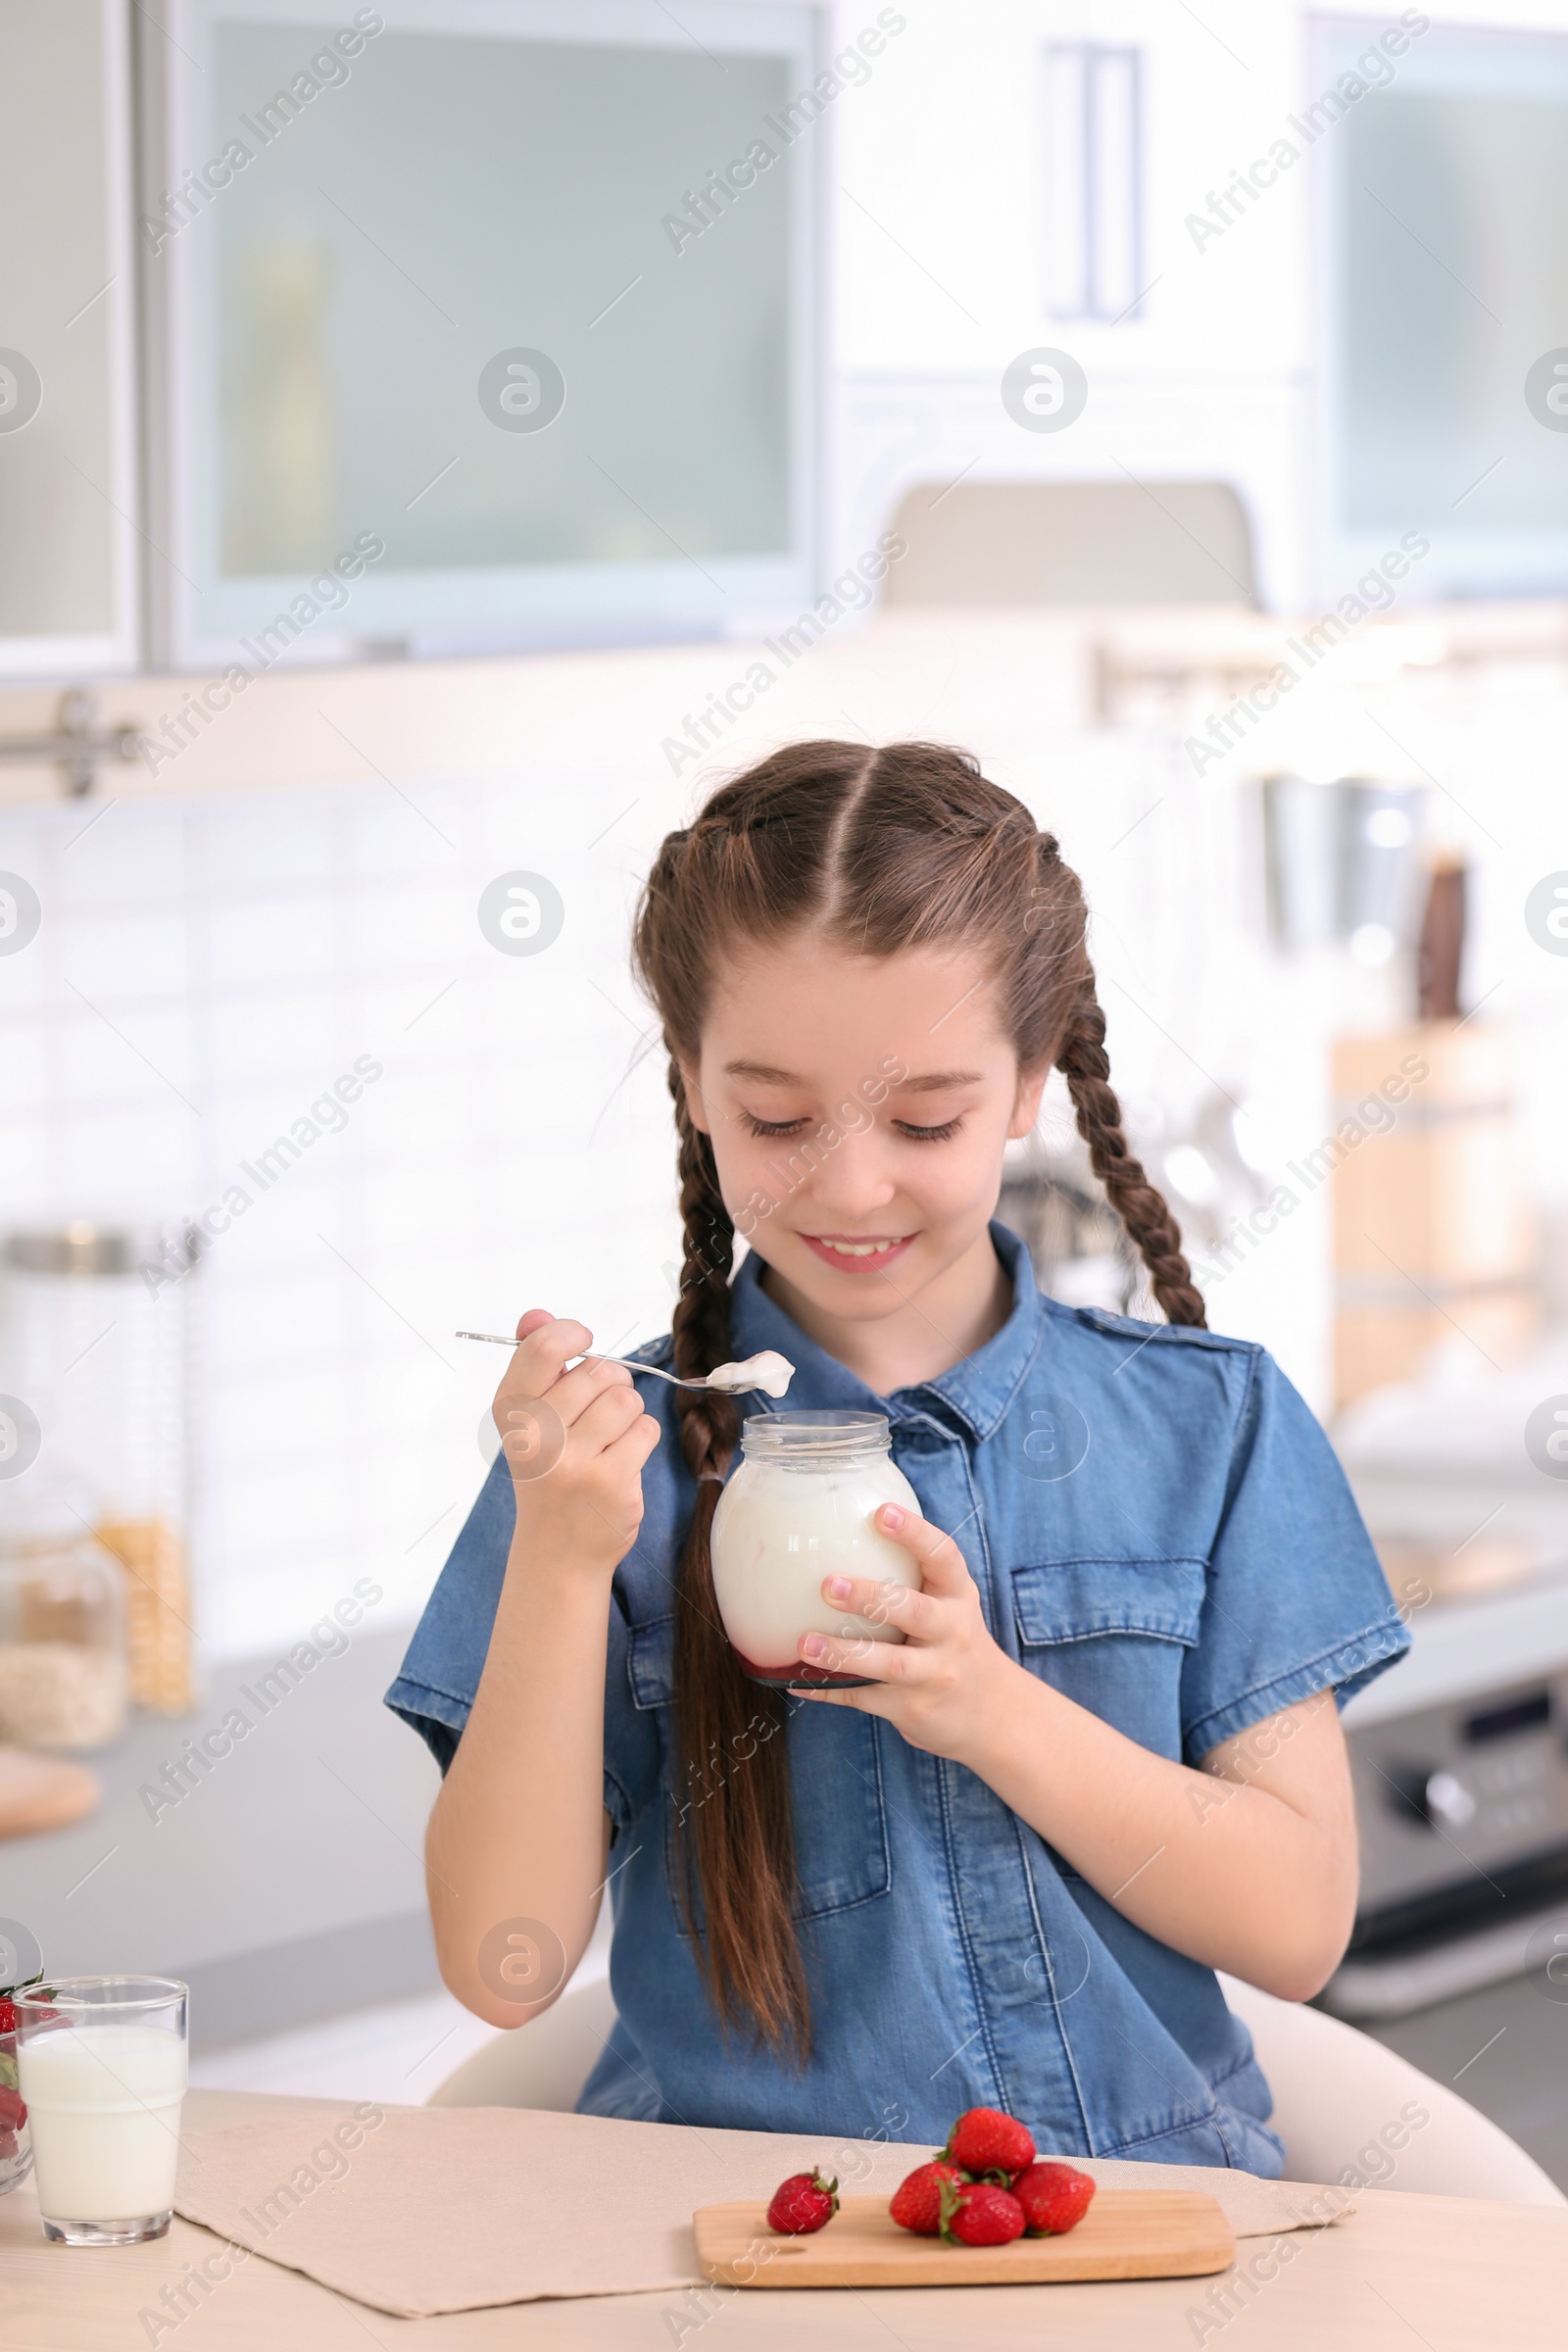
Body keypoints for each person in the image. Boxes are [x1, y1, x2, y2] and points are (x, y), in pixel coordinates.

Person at [387, 740, 1409, 2169]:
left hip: (1149, 2251)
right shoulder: (604, 1473)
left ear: (1030, 1083)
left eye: (924, 1119)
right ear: (689, 1083)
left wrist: (991, 1709)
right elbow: (503, 1969)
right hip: (741, 2253)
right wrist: (564, 1562)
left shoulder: (1210, 1431)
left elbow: (1299, 1932)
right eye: (778, 1119)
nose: (851, 1183)